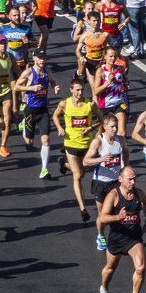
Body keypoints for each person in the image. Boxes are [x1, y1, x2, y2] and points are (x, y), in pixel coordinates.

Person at [97, 167, 146, 293]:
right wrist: (117, 217)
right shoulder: (113, 195)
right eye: (130, 179)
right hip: (117, 238)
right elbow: (102, 217)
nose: (133, 182)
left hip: (134, 238)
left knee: (140, 268)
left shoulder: (139, 193)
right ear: (120, 179)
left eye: (134, 179)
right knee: (110, 269)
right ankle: (104, 291)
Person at [54, 78, 100, 221]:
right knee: (78, 175)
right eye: (77, 90)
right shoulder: (64, 104)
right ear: (71, 90)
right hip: (71, 144)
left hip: (86, 145)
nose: (80, 92)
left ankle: (64, 165)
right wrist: (60, 127)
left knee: (82, 171)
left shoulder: (90, 104)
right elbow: (55, 115)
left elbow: (101, 119)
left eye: (82, 89)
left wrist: (91, 128)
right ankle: (83, 209)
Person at [83, 113, 129, 251]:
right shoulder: (98, 141)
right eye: (112, 127)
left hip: (115, 182)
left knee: (118, 210)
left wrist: (125, 167)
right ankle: (101, 235)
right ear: (105, 127)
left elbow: (126, 152)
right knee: (103, 214)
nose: (115, 129)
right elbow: (85, 161)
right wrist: (100, 160)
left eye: (116, 126)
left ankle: (118, 236)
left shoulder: (120, 140)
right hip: (100, 183)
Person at [14, 49, 59, 177]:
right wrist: (30, 88)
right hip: (30, 111)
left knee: (46, 139)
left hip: (43, 110)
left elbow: (52, 81)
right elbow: (16, 87)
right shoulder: (28, 73)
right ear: (34, 58)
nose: (42, 60)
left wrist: (55, 87)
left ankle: (44, 169)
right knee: (29, 141)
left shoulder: (47, 71)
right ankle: (23, 126)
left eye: (43, 58)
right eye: (39, 58)